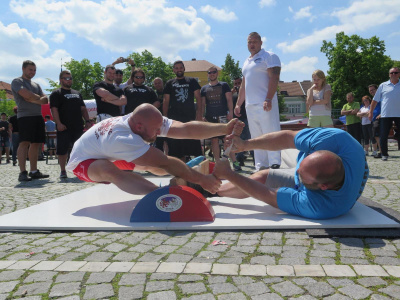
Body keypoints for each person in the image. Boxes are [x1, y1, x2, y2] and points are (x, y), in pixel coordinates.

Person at [66, 104, 244, 196]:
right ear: (139, 127)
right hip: (82, 161)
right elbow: (164, 161)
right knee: (111, 171)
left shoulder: (148, 120)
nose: (160, 132)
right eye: (156, 130)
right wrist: (202, 179)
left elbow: (185, 128)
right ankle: (160, 195)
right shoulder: (123, 139)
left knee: (149, 165)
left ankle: (185, 172)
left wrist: (223, 129)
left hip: (105, 150)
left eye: (160, 127)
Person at [212, 127, 368, 220]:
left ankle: (213, 190)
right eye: (299, 169)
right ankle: (214, 188)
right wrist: (245, 145)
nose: (296, 172)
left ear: (323, 186)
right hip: (320, 165)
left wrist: (230, 174)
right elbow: (287, 138)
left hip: (325, 193)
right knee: (267, 172)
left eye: (301, 176)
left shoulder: (322, 206)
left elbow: (269, 195)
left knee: (261, 178)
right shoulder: (335, 139)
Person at [235, 32, 281, 171]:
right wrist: (238, 103)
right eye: (249, 42)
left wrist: (268, 98)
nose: (252, 44)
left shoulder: (269, 56)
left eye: (255, 41)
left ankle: (274, 162)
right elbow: (244, 84)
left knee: (270, 131)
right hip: (250, 104)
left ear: (261, 42)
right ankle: (261, 164)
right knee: (256, 136)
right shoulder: (246, 61)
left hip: (264, 102)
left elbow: (274, 78)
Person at [11, 60, 49, 181]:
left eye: (34, 70)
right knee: (24, 143)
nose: (33, 72)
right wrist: (37, 98)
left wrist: (33, 99)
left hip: (38, 116)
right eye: (30, 69)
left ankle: (34, 171)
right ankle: (22, 172)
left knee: (36, 143)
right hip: (25, 116)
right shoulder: (17, 81)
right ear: (23, 69)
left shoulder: (36, 85)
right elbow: (25, 94)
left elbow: (45, 100)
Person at [50, 70, 91, 178]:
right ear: (61, 80)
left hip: (77, 125)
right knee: (62, 149)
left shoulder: (77, 93)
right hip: (64, 126)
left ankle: (80, 169)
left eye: (70, 78)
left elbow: (83, 109)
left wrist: (87, 121)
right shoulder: (56, 93)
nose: (69, 80)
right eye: (66, 78)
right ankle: (63, 170)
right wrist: (58, 123)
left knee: (79, 148)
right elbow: (54, 110)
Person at [163, 60, 203, 161]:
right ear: (173, 70)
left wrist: (199, 115)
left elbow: (198, 98)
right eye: (176, 68)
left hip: (189, 117)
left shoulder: (192, 81)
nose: (179, 69)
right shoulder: (169, 83)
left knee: (194, 144)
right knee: (176, 146)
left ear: (184, 69)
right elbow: (166, 101)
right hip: (174, 118)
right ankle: (180, 170)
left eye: (180, 67)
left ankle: (198, 170)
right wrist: (165, 117)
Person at [201, 66, 238, 169]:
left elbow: (229, 100)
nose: (212, 74)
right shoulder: (204, 88)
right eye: (209, 72)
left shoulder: (224, 85)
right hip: (210, 117)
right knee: (214, 140)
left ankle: (234, 162)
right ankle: (218, 163)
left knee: (228, 139)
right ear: (207, 74)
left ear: (217, 73)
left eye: (214, 72)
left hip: (223, 116)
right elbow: (203, 104)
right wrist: (202, 116)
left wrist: (230, 112)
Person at [368, 67, 400, 161]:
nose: (393, 74)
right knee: (383, 135)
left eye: (395, 72)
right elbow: (375, 100)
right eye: (391, 73)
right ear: (389, 74)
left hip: (399, 114)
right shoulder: (383, 85)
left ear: (399, 74)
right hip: (386, 114)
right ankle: (384, 154)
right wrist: (370, 112)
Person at [232, 77, 251, 166]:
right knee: (238, 139)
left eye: (239, 83)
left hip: (247, 119)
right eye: (235, 83)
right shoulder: (233, 95)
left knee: (249, 138)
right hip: (237, 120)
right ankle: (240, 159)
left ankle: (255, 159)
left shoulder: (247, 93)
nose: (237, 85)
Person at [153, 77, 167, 153]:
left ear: (162, 83)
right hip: (157, 120)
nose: (157, 84)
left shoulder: (168, 92)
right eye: (156, 83)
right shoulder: (153, 94)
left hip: (168, 117)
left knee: (168, 140)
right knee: (159, 140)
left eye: (159, 83)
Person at [368, 84, 382, 158]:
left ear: (377, 89)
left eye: (373, 89)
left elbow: (385, 105)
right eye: (370, 90)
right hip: (374, 119)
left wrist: (381, 114)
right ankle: (382, 151)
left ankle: (382, 151)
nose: (371, 91)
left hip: (379, 118)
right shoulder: (374, 98)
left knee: (377, 135)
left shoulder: (381, 96)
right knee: (376, 135)